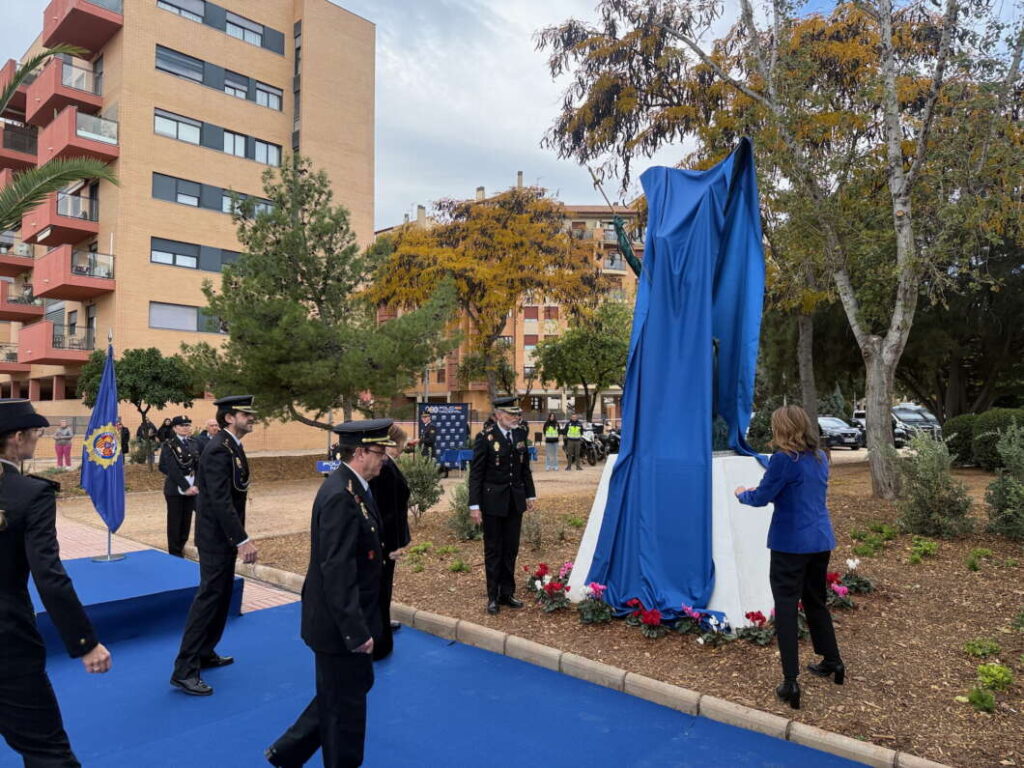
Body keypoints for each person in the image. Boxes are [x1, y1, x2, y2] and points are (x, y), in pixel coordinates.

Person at [266, 419, 392, 768]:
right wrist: (355, 631)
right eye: (380, 452)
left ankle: (288, 751)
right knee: (345, 715)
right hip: (338, 625)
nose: (386, 459)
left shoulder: (355, 486)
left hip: (348, 615)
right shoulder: (340, 494)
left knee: (349, 689)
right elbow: (337, 570)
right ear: (360, 452)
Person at [0, 398, 112, 766]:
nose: (37, 440)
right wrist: (85, 642)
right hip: (7, 642)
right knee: (47, 752)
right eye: (34, 433)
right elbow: (50, 578)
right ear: (16, 438)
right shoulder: (30, 494)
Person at [734, 404, 843, 710]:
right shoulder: (820, 457)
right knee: (816, 600)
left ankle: (790, 682)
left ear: (780, 428)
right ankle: (833, 660)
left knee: (785, 607)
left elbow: (760, 497)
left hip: (790, 544)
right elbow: (796, 488)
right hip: (820, 540)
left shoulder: (784, 459)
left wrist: (741, 492)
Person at [171, 395, 257, 696]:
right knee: (209, 597)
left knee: (220, 596)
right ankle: (184, 669)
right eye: (246, 414)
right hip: (214, 536)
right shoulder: (219, 449)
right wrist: (242, 538)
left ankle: (206, 651)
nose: (252, 418)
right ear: (229, 417)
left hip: (222, 536)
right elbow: (220, 500)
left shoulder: (232, 446)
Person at [469, 396, 536, 615]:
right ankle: (492, 596)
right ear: (499, 415)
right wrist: (474, 505)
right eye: (511, 415)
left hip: (514, 500)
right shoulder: (485, 438)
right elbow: (476, 474)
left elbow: (524, 468)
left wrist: (530, 494)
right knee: (493, 549)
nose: (516, 418)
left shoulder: (519, 434)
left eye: (517, 414)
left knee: (511, 549)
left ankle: (507, 593)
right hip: (492, 502)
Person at [368, 423, 412, 660]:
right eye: (402, 444)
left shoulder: (387, 465)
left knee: (385, 586)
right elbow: (387, 511)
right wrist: (395, 544)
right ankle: (378, 634)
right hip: (385, 541)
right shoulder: (383, 469)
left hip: (390, 538)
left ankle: (382, 622)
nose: (403, 448)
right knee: (380, 586)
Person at [158, 415, 200, 558]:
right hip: (176, 490)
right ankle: (175, 554)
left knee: (186, 522)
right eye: (182, 425)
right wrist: (185, 485)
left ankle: (181, 547)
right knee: (175, 523)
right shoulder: (169, 445)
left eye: (188, 425)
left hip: (192, 489)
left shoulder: (194, 443)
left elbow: (199, 466)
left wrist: (195, 485)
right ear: (175, 428)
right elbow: (170, 468)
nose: (185, 428)